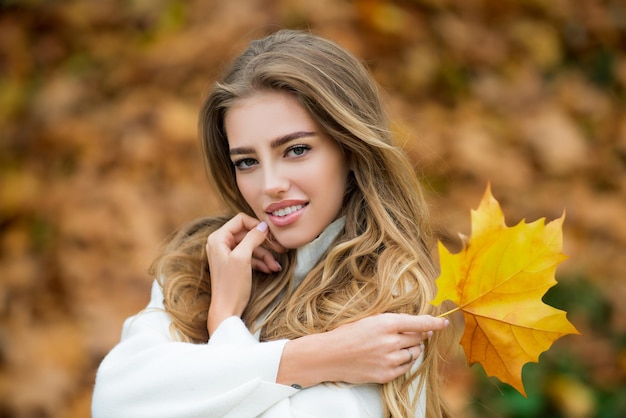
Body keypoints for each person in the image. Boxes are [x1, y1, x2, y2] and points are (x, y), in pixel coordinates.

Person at [92, 29, 451, 418]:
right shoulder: (206, 264)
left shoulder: (389, 293)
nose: (270, 185)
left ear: (350, 148)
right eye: (247, 161)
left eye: (296, 150)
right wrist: (309, 358)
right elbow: (113, 402)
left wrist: (225, 326)